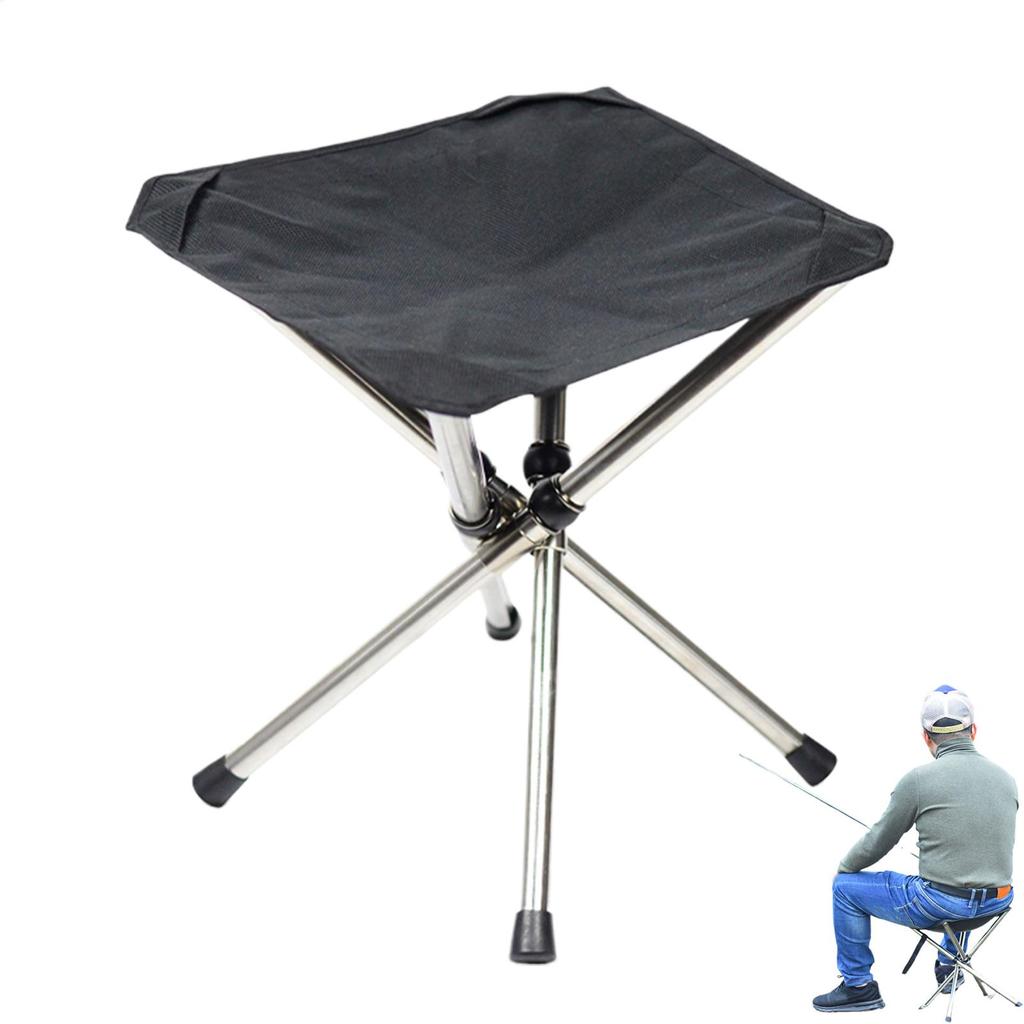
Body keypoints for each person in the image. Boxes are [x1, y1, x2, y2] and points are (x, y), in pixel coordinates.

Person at [812, 686, 1018, 1012]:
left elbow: (880, 840)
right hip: (998, 901)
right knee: (962, 882)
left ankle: (858, 986)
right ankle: (949, 968)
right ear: (974, 731)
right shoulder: (1007, 779)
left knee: (844, 888)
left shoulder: (918, 780)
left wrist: (846, 867)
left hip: (942, 905)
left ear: (926, 737)